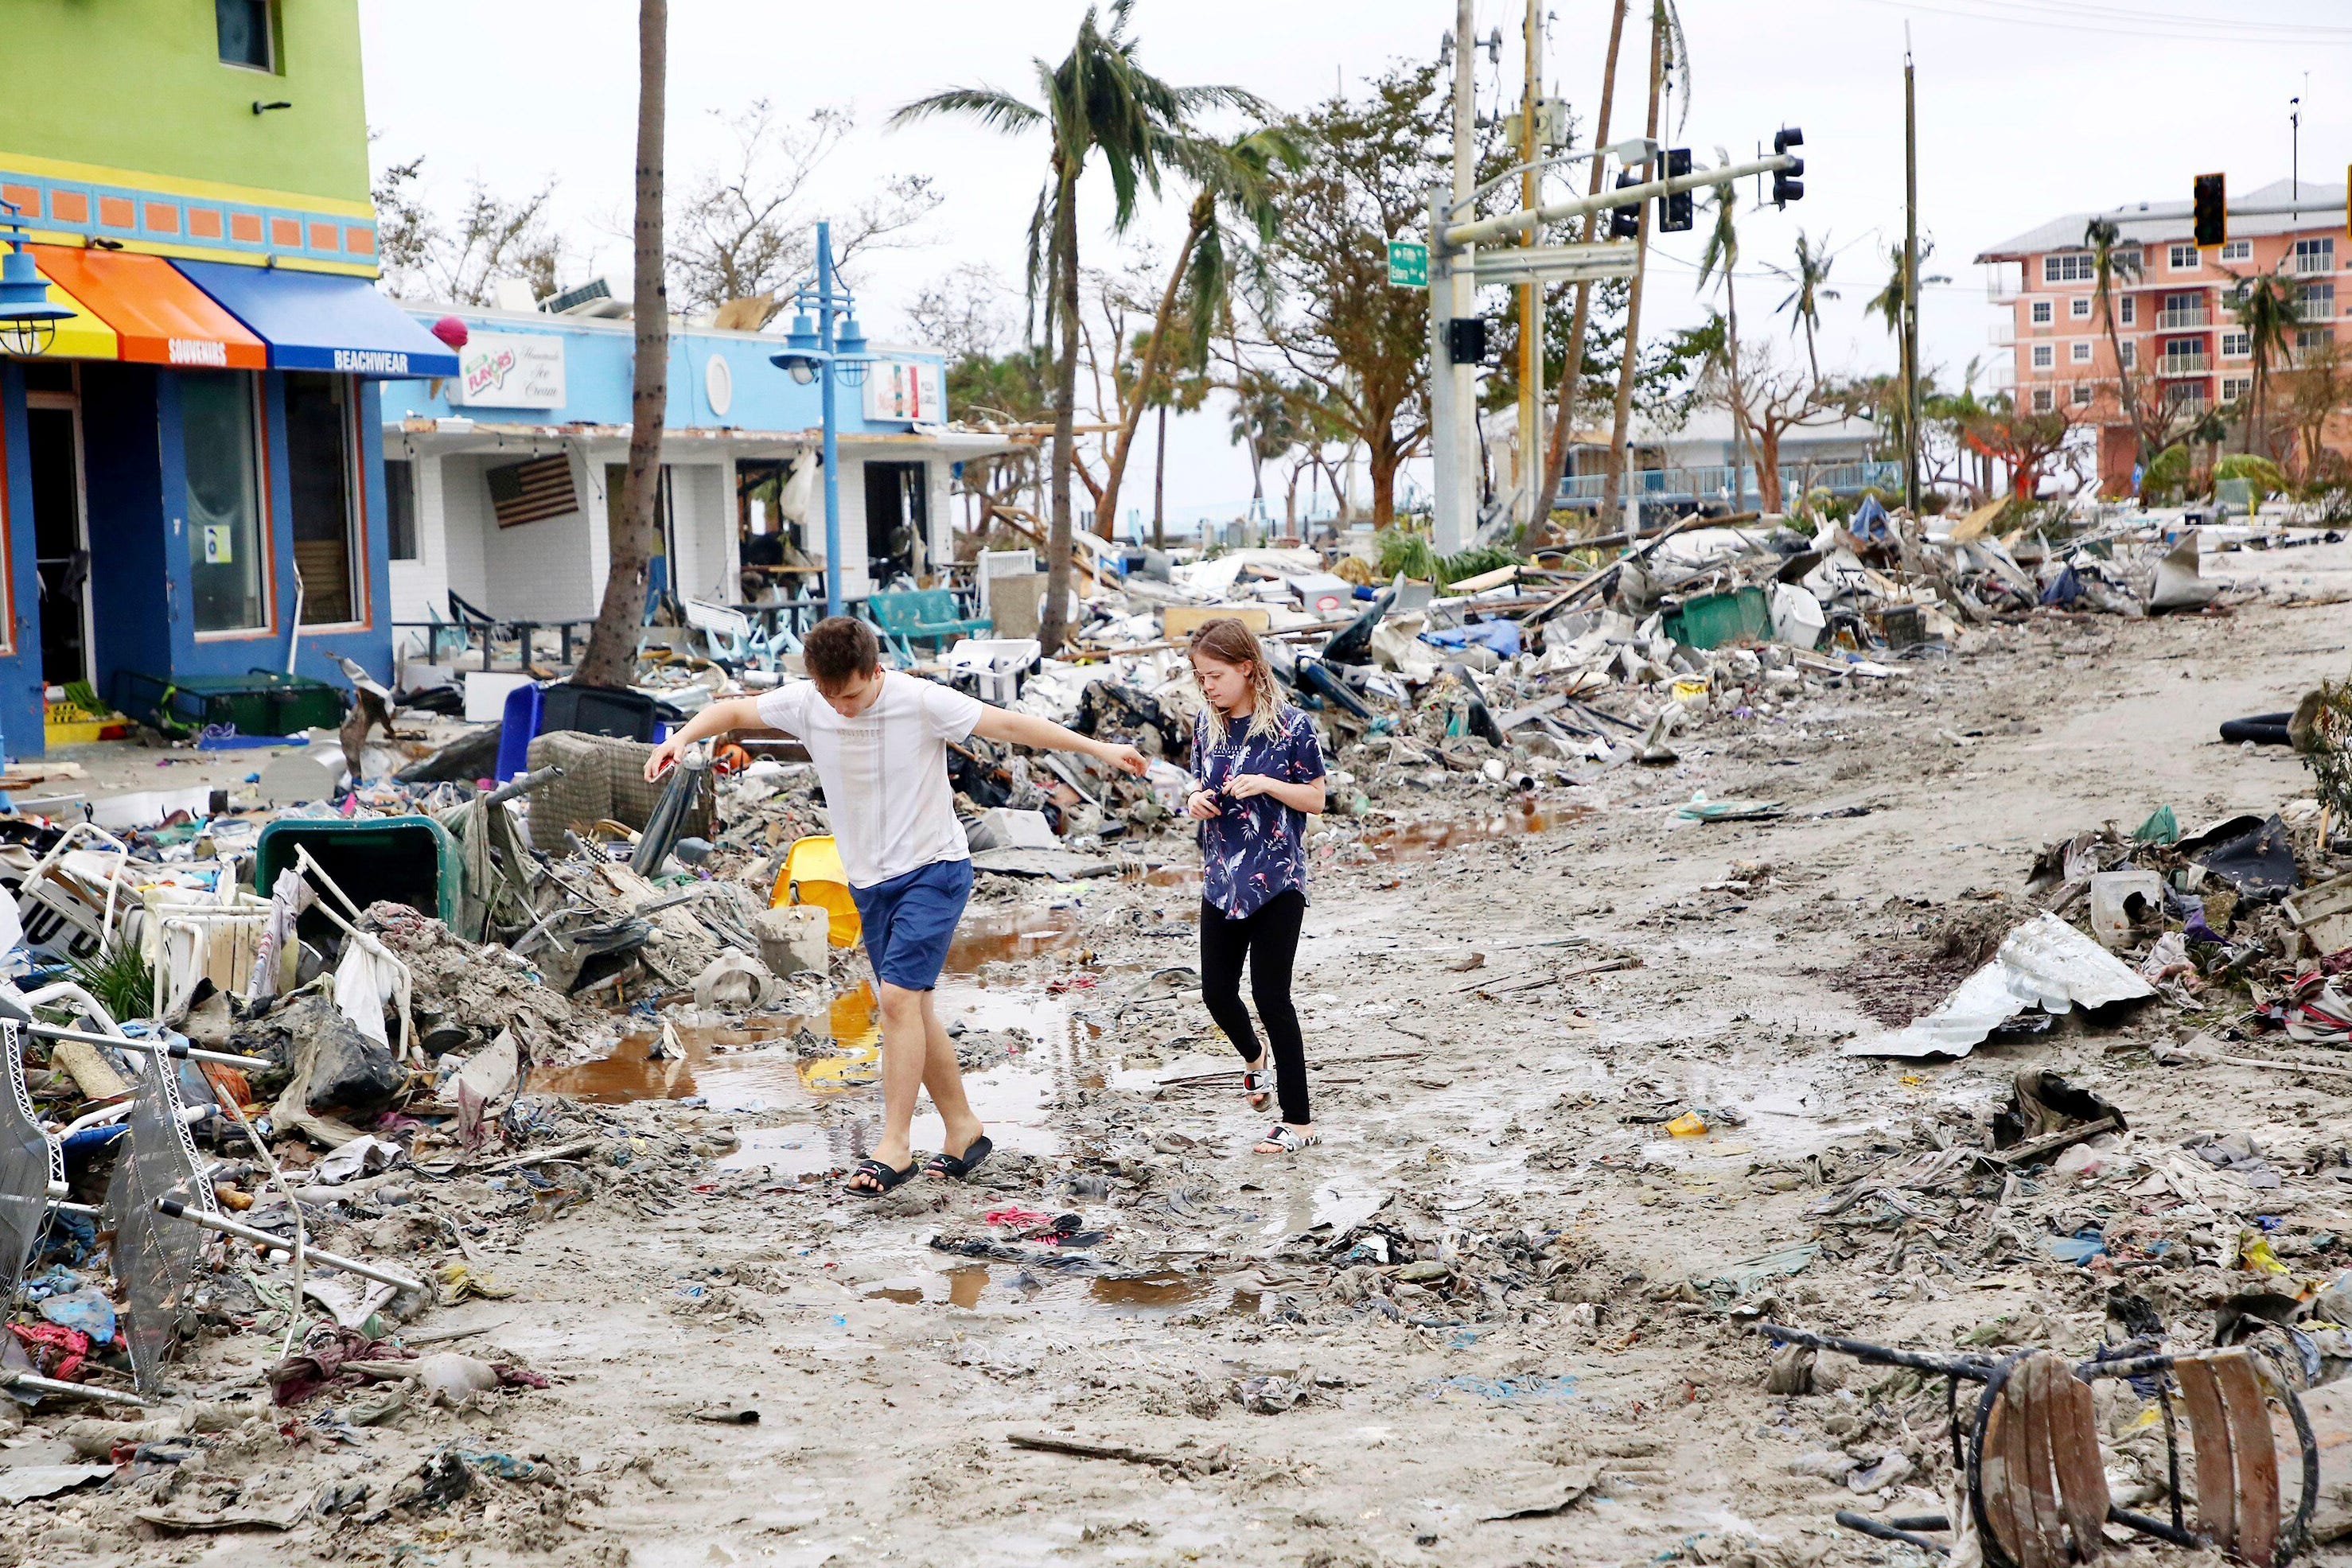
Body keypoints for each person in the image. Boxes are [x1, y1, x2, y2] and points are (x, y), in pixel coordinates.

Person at [645, 617, 1146, 1195]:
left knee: (898, 999)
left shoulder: (919, 700)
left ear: (875, 671)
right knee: (915, 1009)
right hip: (868, 881)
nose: (842, 708)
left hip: (934, 870)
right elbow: (731, 711)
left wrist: (1099, 747)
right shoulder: (811, 702)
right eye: (831, 696)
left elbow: (1010, 723)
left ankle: (895, 1144)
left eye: (852, 694)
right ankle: (964, 1130)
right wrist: (679, 739)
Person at [1184, 617, 1327, 1154]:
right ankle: (1252, 1057)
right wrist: (1196, 799)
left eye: (1216, 674)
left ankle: (1299, 1121)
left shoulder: (1292, 727)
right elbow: (1199, 784)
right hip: (1222, 879)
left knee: (1272, 995)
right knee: (1216, 992)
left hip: (1278, 879)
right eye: (1201, 676)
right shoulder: (1208, 726)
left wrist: (1267, 783)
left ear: (1248, 667)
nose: (1208, 685)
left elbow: (1315, 798)